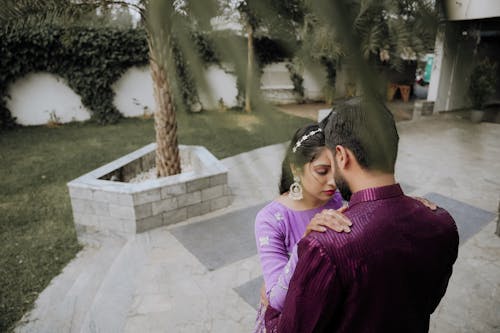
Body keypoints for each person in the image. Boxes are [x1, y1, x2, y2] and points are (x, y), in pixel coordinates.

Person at [265, 99, 459, 332]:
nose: (330, 181)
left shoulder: (325, 246)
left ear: (341, 156)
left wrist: (271, 311)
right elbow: (429, 300)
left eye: (330, 167)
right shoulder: (442, 223)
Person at [253, 123, 352, 333]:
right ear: (296, 168)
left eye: (337, 170)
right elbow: (276, 301)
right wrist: (307, 243)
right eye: (322, 171)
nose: (333, 182)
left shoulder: (340, 200)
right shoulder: (271, 220)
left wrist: (405, 203)